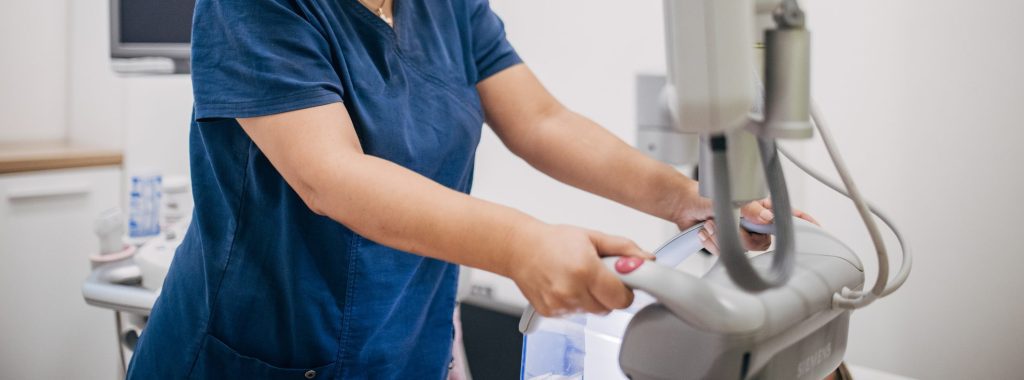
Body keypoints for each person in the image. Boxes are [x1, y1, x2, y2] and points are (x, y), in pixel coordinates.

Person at [126, 0, 814, 378]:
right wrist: (522, 246)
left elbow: (542, 121)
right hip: (253, 355)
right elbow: (330, 178)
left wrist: (688, 200)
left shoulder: (446, 6)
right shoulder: (253, 6)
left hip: (404, 348)